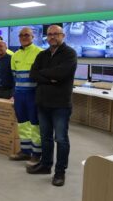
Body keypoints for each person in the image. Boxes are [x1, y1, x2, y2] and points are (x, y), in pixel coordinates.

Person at [28, 25, 77, 187]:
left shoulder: (70, 54)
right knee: (46, 138)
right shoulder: (42, 54)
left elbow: (61, 74)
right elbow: (33, 74)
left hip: (60, 105)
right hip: (42, 103)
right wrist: (51, 78)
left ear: (63, 35)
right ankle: (45, 165)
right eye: (49, 34)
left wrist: (45, 74)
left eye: (56, 34)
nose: (52, 37)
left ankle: (60, 172)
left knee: (61, 139)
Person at [10, 27, 43, 164]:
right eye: (21, 35)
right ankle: (25, 151)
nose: (24, 37)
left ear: (33, 36)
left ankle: (36, 153)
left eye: (27, 35)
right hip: (19, 95)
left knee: (35, 125)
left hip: (33, 95)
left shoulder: (40, 53)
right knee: (22, 124)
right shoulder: (15, 55)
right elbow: (14, 76)